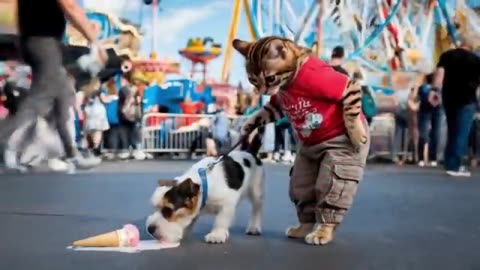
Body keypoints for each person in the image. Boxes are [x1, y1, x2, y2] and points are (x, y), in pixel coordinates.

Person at [0, 0, 107, 173]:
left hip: (38, 39)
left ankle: (72, 154)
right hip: (43, 40)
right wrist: (94, 40)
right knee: (42, 94)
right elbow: (70, 6)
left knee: (63, 95)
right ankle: (5, 145)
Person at [431, 38, 480, 177]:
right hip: (467, 99)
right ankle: (456, 166)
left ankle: (449, 163)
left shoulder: (447, 55)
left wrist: (434, 91)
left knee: (452, 131)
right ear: (470, 47)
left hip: (449, 97)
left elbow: (439, 74)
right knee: (461, 133)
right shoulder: (475, 59)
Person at [417, 73, 442, 167]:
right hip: (430, 110)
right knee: (431, 134)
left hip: (428, 110)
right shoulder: (426, 88)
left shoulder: (424, 88)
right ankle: (431, 158)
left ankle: (423, 158)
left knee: (429, 134)